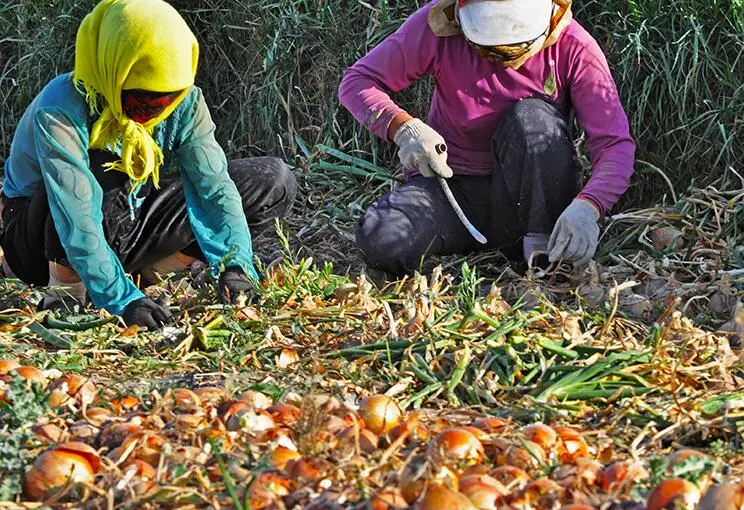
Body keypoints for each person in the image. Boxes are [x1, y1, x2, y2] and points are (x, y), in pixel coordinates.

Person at [0, 0, 297, 330]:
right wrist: (121, 301)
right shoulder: (62, 106)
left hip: (125, 214)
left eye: (165, 100)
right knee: (104, 166)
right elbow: (75, 212)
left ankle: (147, 275)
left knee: (272, 180)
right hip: (39, 237)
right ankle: (67, 294)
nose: (152, 111)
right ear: (116, 72)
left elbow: (213, 187)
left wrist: (234, 264)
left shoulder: (187, 103)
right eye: (139, 99)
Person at [338, 0, 635, 278]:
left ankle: (541, 253)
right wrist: (403, 128)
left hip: (533, 198)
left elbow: (613, 144)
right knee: (381, 238)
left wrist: (589, 204)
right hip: (452, 191)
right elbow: (357, 81)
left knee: (533, 118)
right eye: (490, 49)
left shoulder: (573, 46)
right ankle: (473, 244)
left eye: (515, 49)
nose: (502, 60)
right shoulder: (439, 24)